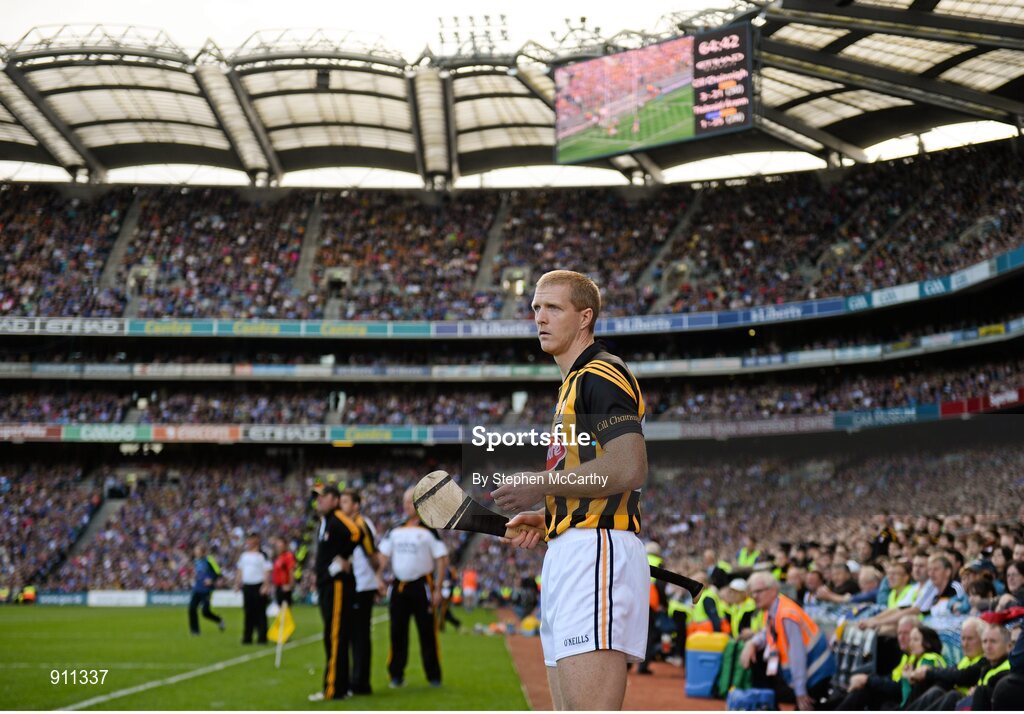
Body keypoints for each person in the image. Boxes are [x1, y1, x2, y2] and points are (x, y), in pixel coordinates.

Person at [495, 270, 650, 710]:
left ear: (585, 317)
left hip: (595, 553)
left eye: (553, 308)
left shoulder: (600, 374)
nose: (539, 318)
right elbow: (599, 477)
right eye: (536, 309)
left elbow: (629, 466)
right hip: (571, 550)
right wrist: (551, 517)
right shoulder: (572, 383)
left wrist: (541, 485)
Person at [378, 486, 448, 689]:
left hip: (422, 586)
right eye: (404, 502)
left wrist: (437, 589)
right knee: (397, 633)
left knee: (427, 633)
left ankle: (434, 676)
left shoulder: (429, 531)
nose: (406, 506)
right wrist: (378, 577)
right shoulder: (395, 530)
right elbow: (383, 556)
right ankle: (396, 675)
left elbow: (442, 559)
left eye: (409, 502)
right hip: (399, 587)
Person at [740, 572, 836, 710]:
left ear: (773, 590)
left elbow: (797, 654)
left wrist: (800, 692)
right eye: (752, 593)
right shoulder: (773, 609)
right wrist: (752, 643)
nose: (754, 596)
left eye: (759, 591)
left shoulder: (786, 614)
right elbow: (766, 633)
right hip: (807, 673)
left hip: (817, 674)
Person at [308, 484, 360, 702]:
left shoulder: (337, 518)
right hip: (326, 584)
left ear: (335, 499)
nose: (319, 501)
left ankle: (333, 688)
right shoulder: (325, 521)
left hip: (337, 585)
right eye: (317, 497)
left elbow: (355, 532)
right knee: (334, 636)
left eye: (323, 497)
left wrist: (342, 558)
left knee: (335, 636)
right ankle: (342, 685)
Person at [906, 619, 1009, 709]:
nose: (964, 644)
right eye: (985, 642)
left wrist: (929, 672)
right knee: (936, 690)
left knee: (952, 695)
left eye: (970, 639)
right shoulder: (971, 661)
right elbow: (951, 675)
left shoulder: (986, 663)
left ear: (1008, 646)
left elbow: (961, 676)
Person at [339, 487, 383, 696]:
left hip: (361, 587)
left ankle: (360, 683)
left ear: (356, 505)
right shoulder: (346, 524)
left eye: (346, 502)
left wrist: (375, 577)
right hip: (353, 586)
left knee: (359, 636)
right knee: (351, 636)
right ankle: (352, 680)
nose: (342, 506)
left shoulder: (361, 524)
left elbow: (372, 554)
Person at [235, 533, 271, 645]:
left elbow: (267, 570)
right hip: (247, 586)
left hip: (258, 585)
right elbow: (240, 570)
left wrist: (266, 585)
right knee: (248, 612)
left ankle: (262, 637)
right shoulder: (244, 555)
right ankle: (247, 637)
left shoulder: (262, 555)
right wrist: (237, 583)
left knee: (260, 612)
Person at [188, 543, 225, 636]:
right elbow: (198, 573)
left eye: (197, 550)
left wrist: (212, 579)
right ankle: (195, 631)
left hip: (206, 590)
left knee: (205, 612)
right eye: (195, 550)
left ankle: (219, 620)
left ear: (202, 551)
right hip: (197, 588)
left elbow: (218, 572)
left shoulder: (209, 560)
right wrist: (193, 577)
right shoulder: (196, 561)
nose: (195, 552)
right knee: (192, 608)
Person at [271, 537, 296, 607]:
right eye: (277, 546)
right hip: (278, 586)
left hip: (285, 586)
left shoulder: (288, 556)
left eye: (280, 546)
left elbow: (291, 571)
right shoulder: (278, 557)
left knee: (285, 610)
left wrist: (290, 585)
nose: (278, 548)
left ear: (285, 546)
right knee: (280, 609)